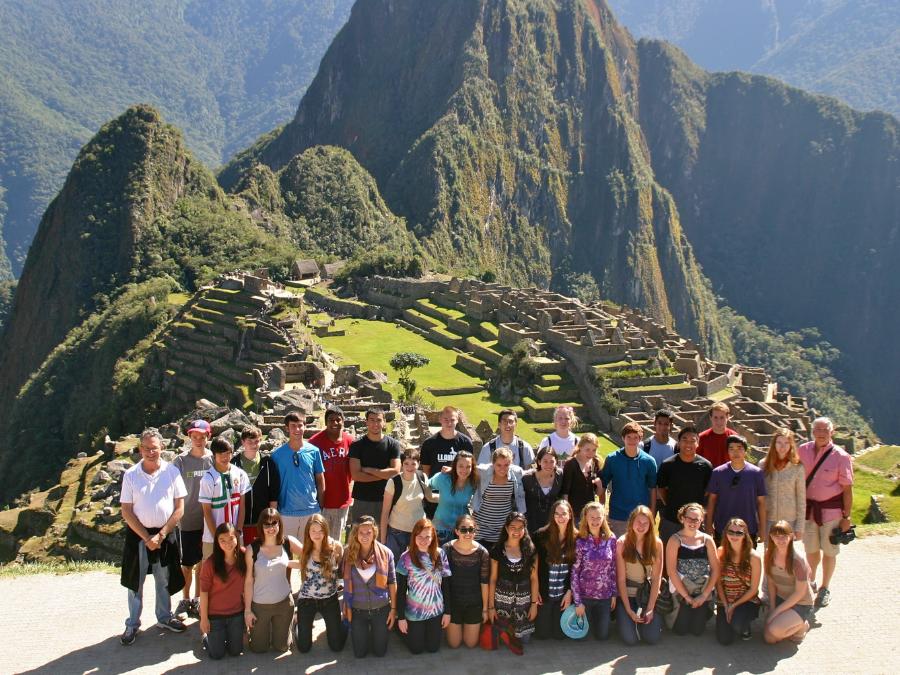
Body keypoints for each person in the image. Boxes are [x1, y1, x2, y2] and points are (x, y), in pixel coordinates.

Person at [119, 428, 187, 645]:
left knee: (163, 578)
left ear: (162, 449)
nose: (150, 452)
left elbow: (179, 508)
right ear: (140, 449)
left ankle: (164, 617)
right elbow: (126, 511)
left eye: (154, 448)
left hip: (165, 534)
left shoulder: (172, 472)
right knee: (134, 581)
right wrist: (147, 537)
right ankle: (132, 624)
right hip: (138, 535)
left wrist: (161, 535)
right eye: (146, 448)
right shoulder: (131, 475)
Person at [799, 417, 854, 607]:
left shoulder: (841, 456)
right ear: (812, 431)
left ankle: (825, 587)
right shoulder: (802, 451)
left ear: (832, 432)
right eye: (818, 429)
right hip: (808, 511)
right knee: (810, 549)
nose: (821, 432)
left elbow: (847, 489)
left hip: (832, 513)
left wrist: (846, 517)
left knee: (830, 551)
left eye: (825, 429)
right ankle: (811, 582)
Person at [243, 509, 303, 654]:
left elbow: (309, 557)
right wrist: (248, 611)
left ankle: (290, 626)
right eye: (266, 524)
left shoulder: (287, 542)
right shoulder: (253, 549)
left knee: (281, 647)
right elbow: (249, 581)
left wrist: (291, 563)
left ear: (279, 524)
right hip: (260, 605)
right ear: (261, 526)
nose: (271, 528)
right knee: (259, 648)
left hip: (283, 603)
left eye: (274, 523)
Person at [172, 419, 213, 619]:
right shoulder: (179, 462)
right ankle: (185, 598)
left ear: (208, 437)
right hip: (187, 520)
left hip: (208, 520)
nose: (198, 440)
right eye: (195, 437)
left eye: (202, 437)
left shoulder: (213, 460)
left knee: (203, 563)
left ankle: (197, 599)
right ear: (189, 437)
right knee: (187, 563)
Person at [342, 515, 398, 658]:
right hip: (357, 611)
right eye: (361, 533)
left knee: (380, 653)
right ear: (356, 534)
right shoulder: (348, 553)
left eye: (369, 532)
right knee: (360, 654)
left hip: (381, 610)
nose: (365, 536)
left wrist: (393, 610)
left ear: (374, 533)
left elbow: (392, 582)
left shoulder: (386, 553)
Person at [396, 519, 452, 654]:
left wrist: (447, 612)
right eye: (420, 536)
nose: (423, 540)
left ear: (433, 538)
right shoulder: (406, 557)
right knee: (416, 649)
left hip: (435, 610)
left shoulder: (440, 554)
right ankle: (398, 629)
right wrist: (402, 618)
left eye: (427, 537)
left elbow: (446, 585)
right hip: (415, 612)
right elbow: (402, 589)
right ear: (414, 537)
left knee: (433, 648)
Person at [295, 513, 347, 653]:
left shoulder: (335, 547)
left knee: (336, 647)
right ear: (308, 532)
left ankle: (340, 625)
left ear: (325, 530)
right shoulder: (305, 549)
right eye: (313, 531)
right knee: (304, 648)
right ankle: (298, 625)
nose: (317, 534)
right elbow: (297, 562)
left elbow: (341, 571)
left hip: (329, 600)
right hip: (307, 600)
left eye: (320, 530)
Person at [666, 503, 719, 637]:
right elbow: (671, 571)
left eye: (696, 519)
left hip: (702, 588)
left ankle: (701, 609)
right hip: (682, 589)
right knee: (680, 630)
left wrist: (704, 594)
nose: (692, 522)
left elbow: (715, 569)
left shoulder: (707, 540)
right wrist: (687, 597)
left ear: (702, 520)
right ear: (682, 518)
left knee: (697, 631)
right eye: (689, 518)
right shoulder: (675, 540)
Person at [270, 411, 325, 540]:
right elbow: (273, 486)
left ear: (305, 427)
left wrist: (320, 506)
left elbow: (320, 479)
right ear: (287, 428)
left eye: (300, 425)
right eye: (293, 426)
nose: (297, 429)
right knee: (285, 554)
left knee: (310, 552)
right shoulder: (276, 456)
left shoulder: (314, 451)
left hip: (311, 510)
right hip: (286, 513)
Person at [656, 426, 713, 548]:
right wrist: (670, 504)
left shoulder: (706, 466)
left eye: (693, 441)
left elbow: (707, 491)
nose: (688, 444)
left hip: (695, 522)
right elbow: (661, 488)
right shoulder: (667, 465)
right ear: (679, 442)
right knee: (666, 556)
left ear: (698, 443)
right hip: (671, 519)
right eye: (685, 440)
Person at [615, 505, 664, 646]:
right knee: (631, 641)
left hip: (646, 596)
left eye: (645, 523)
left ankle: (643, 622)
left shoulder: (657, 543)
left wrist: (650, 609)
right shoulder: (622, 543)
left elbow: (656, 578)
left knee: (652, 639)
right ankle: (625, 619)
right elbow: (621, 579)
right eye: (638, 522)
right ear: (631, 522)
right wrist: (629, 610)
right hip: (627, 597)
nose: (641, 526)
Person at [706, 435, 767, 544]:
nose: (735, 452)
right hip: (723, 528)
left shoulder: (756, 473)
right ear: (727, 452)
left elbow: (761, 502)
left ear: (745, 452)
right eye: (732, 449)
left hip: (749, 528)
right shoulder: (718, 473)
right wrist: (709, 525)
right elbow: (712, 500)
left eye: (739, 449)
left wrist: (762, 528)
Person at [488, 512, 539, 642]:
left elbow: (534, 578)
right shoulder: (497, 550)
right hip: (502, 602)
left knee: (524, 640)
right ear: (506, 528)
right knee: (503, 639)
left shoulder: (531, 550)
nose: (517, 531)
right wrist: (491, 607)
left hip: (524, 603)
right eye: (513, 527)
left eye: (520, 528)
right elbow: (493, 579)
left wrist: (534, 604)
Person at [600, 422, 657, 537]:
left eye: (635, 438)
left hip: (641, 516)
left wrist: (652, 513)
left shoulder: (649, 461)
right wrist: (602, 512)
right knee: (619, 550)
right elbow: (603, 485)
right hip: (618, 514)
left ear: (640, 439)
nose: (632, 441)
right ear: (623, 438)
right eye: (628, 437)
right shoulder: (612, 459)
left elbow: (653, 489)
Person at [199, 522, 247, 659]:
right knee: (217, 655)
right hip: (215, 616)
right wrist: (204, 619)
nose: (228, 543)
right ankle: (207, 639)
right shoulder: (210, 563)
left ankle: (224, 637)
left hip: (236, 614)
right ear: (217, 542)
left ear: (237, 538)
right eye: (223, 540)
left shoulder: (244, 556)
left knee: (235, 651)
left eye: (231, 538)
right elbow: (203, 592)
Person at [441, 514, 490, 648]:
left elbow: (485, 583)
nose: (467, 533)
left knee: (470, 643)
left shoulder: (483, 553)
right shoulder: (446, 550)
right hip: (453, 603)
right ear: (456, 531)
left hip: (474, 603)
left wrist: (485, 609)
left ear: (475, 531)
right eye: (463, 529)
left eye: (471, 529)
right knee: (454, 644)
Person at [571, 502, 618, 641]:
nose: (595, 521)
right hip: (585, 596)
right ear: (585, 518)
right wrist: (578, 602)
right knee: (581, 637)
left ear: (604, 518)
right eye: (592, 517)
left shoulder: (611, 539)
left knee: (602, 636)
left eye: (598, 517)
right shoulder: (580, 541)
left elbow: (613, 568)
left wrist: (614, 594)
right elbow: (574, 572)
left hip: (604, 596)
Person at [712, 516, 761, 645]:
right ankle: (730, 619)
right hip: (725, 600)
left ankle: (745, 623)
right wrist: (726, 605)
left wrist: (734, 605)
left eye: (739, 533)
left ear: (745, 535)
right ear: (726, 533)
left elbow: (754, 589)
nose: (735, 535)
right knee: (724, 640)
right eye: (731, 532)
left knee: (738, 626)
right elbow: (718, 583)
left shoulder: (754, 557)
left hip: (746, 599)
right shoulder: (720, 552)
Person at [764, 521, 815, 643]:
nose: (780, 540)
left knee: (775, 630)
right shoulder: (769, 555)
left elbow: (799, 593)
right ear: (771, 537)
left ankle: (803, 625)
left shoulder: (798, 559)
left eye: (784, 537)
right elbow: (771, 582)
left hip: (801, 603)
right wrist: (772, 607)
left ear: (791, 536)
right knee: (769, 639)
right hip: (782, 599)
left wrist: (776, 611)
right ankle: (790, 621)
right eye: (777, 536)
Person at [199, 438, 250, 560]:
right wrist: (217, 537)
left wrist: (238, 530)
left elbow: (242, 506)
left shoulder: (240, 474)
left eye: (227, 453)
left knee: (237, 570)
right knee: (213, 571)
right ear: (214, 455)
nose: (224, 458)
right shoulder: (208, 479)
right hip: (212, 538)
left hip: (235, 535)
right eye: (220, 454)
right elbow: (207, 511)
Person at [348, 407, 402, 523]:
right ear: (366, 422)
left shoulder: (393, 444)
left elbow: (396, 472)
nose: (375, 424)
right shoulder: (357, 445)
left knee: (384, 537)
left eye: (378, 420)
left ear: (384, 422)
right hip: (363, 499)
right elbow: (356, 476)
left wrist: (368, 470)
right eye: (372, 420)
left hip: (387, 498)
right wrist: (384, 475)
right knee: (361, 536)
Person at [308, 407, 354, 539]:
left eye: (338, 420)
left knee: (335, 540)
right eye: (331, 420)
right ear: (325, 422)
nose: (334, 423)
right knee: (318, 541)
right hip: (321, 502)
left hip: (342, 500)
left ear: (343, 421)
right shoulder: (314, 442)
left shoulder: (350, 442)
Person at [380, 448, 435, 559]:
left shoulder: (422, 477)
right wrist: (383, 540)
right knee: (395, 567)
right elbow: (385, 512)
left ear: (418, 464)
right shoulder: (393, 483)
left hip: (419, 531)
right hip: (397, 531)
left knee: (417, 566)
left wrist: (452, 497)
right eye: (406, 464)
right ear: (401, 464)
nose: (410, 467)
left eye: (413, 464)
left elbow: (430, 497)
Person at [533, 500, 576, 640]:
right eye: (557, 514)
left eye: (564, 514)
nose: (560, 517)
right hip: (545, 592)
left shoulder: (577, 538)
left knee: (560, 635)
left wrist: (569, 592)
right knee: (542, 635)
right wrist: (536, 590)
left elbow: (576, 570)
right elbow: (534, 568)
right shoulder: (540, 536)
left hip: (563, 593)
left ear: (570, 515)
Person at [231, 425, 279, 545]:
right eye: (250, 442)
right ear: (243, 442)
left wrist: (272, 519)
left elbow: (273, 493)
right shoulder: (234, 463)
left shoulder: (267, 463)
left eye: (256, 442)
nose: (253, 445)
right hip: (240, 521)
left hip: (262, 520)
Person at [472, 447, 526, 549]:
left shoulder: (516, 473)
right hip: (481, 525)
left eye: (506, 465)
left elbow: (533, 474)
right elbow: (465, 469)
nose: (502, 469)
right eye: (499, 465)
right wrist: (451, 470)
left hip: (502, 526)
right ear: (493, 463)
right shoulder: (483, 472)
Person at [759, 428, 806, 542]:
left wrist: (800, 527)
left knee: (786, 555)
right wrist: (759, 522)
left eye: (786, 443)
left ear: (791, 445)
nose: (782, 447)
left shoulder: (797, 467)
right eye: (779, 443)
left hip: (789, 519)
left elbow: (801, 498)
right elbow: (759, 496)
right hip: (769, 518)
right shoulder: (763, 465)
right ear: (774, 444)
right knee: (769, 554)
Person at [429, 451, 479, 544]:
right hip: (441, 529)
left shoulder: (473, 482)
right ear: (455, 465)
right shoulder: (442, 478)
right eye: (460, 466)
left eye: (468, 466)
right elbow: (425, 485)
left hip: (463, 530)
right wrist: (431, 497)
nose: (464, 470)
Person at [560, 433, 603, 525]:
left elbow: (598, 492)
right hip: (574, 513)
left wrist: (599, 485)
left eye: (594, 450)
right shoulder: (571, 464)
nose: (591, 453)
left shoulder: (595, 463)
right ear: (580, 447)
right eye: (587, 450)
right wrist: (568, 512)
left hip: (590, 513)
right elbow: (565, 492)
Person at [420, 405, 474, 477]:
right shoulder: (429, 443)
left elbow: (469, 468)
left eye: (452, 420)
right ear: (440, 419)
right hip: (436, 486)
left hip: (459, 486)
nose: (449, 423)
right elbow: (426, 471)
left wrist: (452, 470)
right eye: (445, 420)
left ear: (457, 420)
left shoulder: (466, 442)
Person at [522, 447, 564, 533]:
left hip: (553, 523)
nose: (548, 465)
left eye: (552, 462)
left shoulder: (560, 476)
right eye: (545, 461)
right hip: (532, 523)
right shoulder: (527, 478)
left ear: (556, 462)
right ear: (539, 461)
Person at [697, 402, 738, 468]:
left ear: (728, 417)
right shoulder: (701, 438)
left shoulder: (735, 438)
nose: (719, 421)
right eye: (715, 417)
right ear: (711, 418)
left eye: (722, 417)